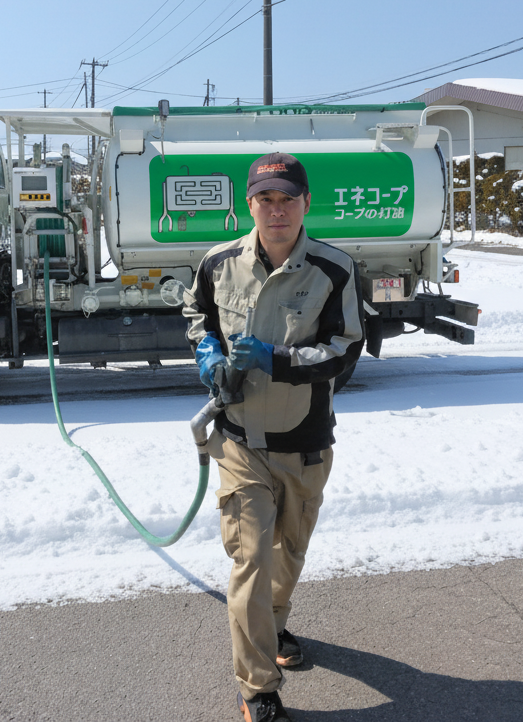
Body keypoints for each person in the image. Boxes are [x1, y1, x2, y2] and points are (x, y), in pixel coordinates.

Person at [183, 152, 365, 722]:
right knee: (252, 560)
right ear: (250, 204)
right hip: (239, 441)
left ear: (306, 204)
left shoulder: (334, 269)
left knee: (288, 557)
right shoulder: (219, 262)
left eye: (288, 198)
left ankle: (274, 627)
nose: (277, 210)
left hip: (306, 444)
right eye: (266, 199)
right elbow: (198, 314)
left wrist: (273, 357)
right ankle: (258, 688)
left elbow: (343, 350)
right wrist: (207, 352)